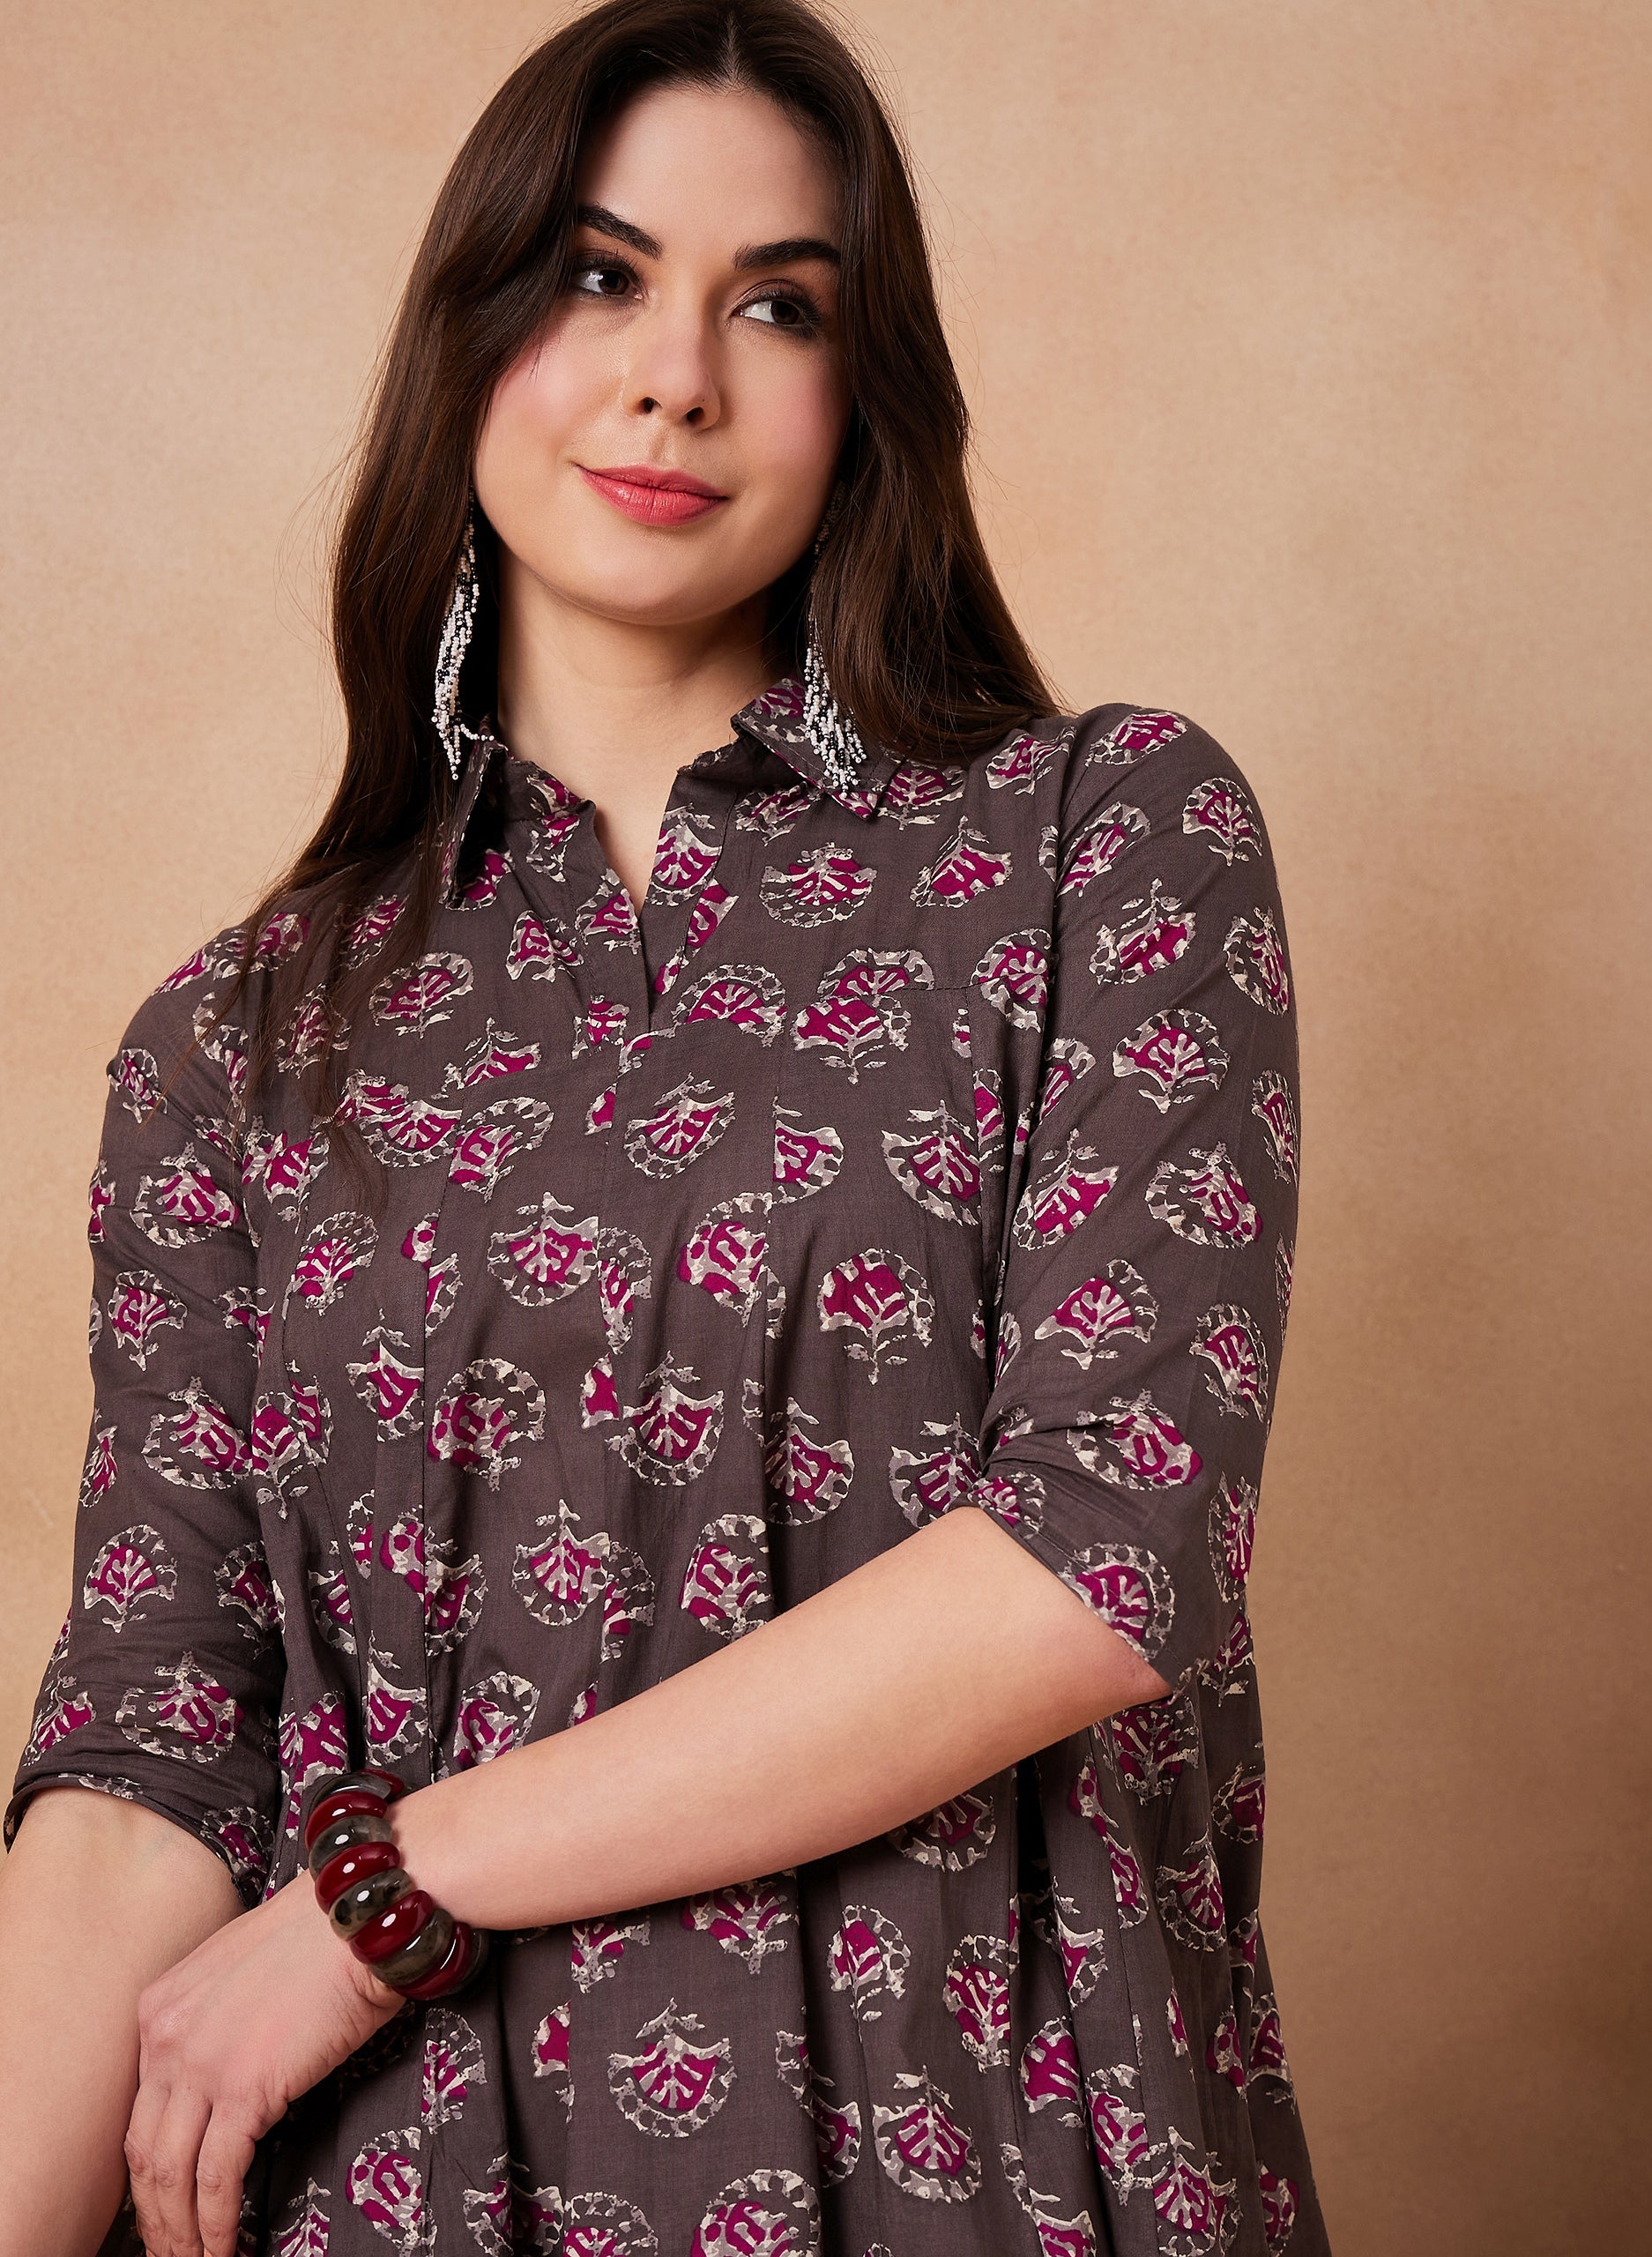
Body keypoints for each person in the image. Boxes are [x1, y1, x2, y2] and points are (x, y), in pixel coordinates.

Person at [0, 3, 1330, 2250]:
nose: (676, 376)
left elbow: (1101, 1556)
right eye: (598, 275)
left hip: (994, 2177)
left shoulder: (1100, 842)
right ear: (470, 332)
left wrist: (388, 1886)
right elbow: (151, 1755)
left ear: (866, 389)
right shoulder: (234, 1045)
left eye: (777, 305)